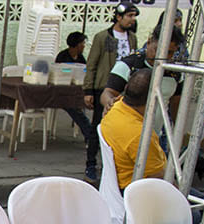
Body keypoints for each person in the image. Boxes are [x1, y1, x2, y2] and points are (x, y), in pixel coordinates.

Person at [83, 1, 139, 180]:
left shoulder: (132, 38)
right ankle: (90, 164)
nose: (132, 19)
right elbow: (91, 64)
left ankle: (113, 167)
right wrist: (88, 90)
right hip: (104, 87)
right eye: (129, 16)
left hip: (124, 88)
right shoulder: (102, 37)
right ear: (118, 17)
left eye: (134, 16)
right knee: (98, 126)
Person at [100, 24, 185, 120]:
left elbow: (176, 103)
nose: (161, 56)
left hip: (155, 133)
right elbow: (107, 93)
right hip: (125, 129)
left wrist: (176, 130)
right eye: (157, 50)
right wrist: (109, 102)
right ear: (149, 42)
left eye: (169, 52)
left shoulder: (175, 73)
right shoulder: (128, 65)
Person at [99, 69, 166, 191]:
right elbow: (159, 179)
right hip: (139, 191)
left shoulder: (114, 107)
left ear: (126, 87)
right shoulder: (141, 136)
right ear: (154, 96)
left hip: (116, 186)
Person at [55, 32, 96, 181]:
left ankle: (91, 135)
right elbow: (58, 73)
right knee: (74, 108)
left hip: (77, 91)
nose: (84, 46)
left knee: (80, 107)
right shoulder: (62, 56)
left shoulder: (81, 58)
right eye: (82, 43)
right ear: (76, 44)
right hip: (61, 93)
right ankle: (90, 135)